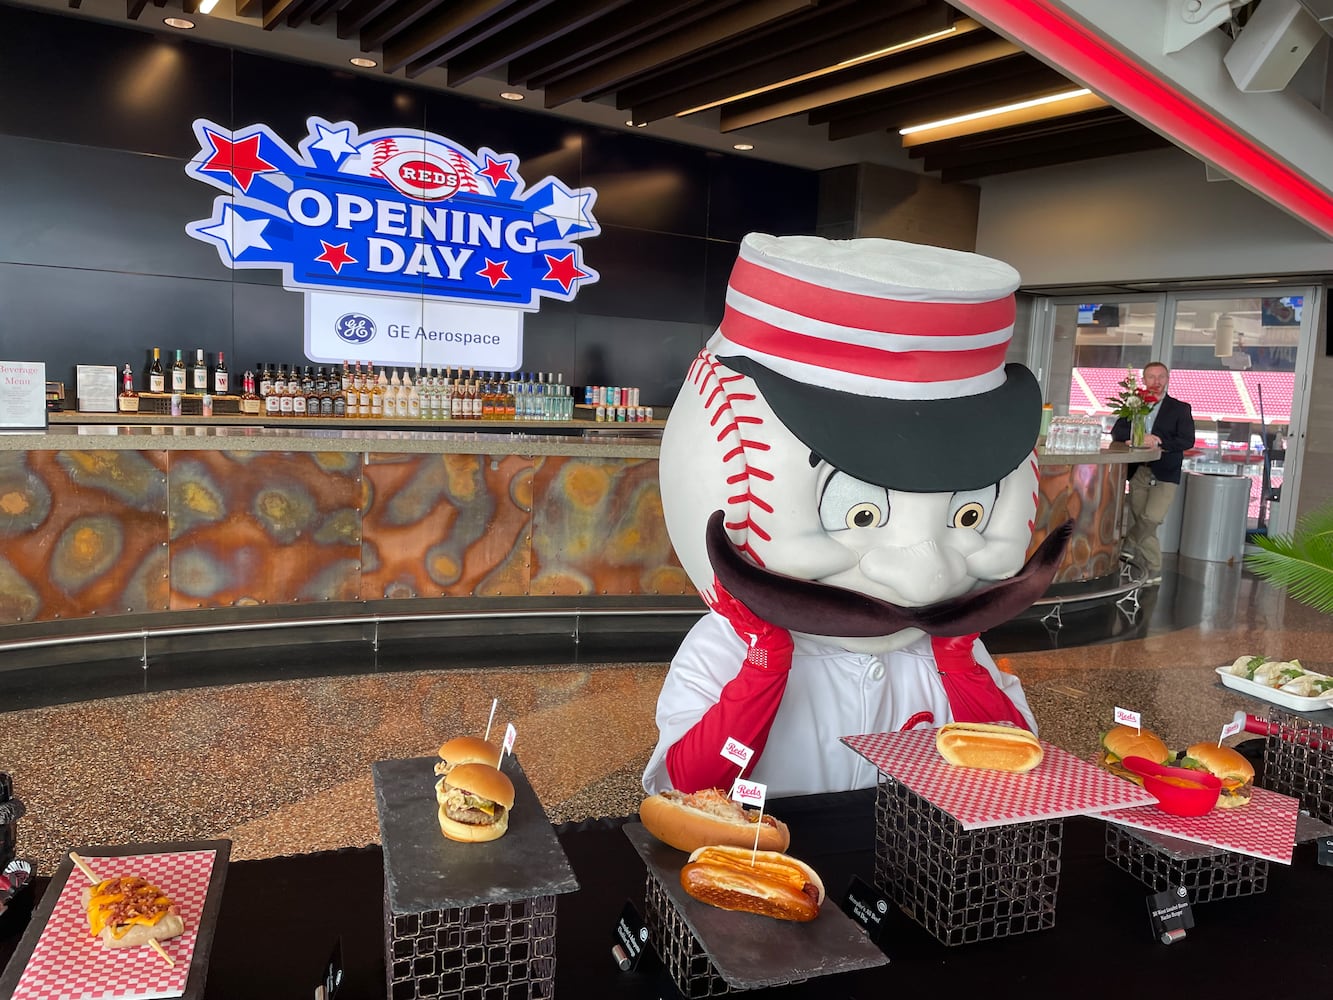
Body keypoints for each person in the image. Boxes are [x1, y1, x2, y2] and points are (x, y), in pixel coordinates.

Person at [641, 234, 1070, 798]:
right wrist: (764, 667)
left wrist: (960, 663)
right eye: (859, 512)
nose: (925, 577)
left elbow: (1016, 762)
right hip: (770, 863)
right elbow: (687, 784)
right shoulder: (725, 646)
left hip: (911, 866)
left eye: (968, 514)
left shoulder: (938, 647)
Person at [1111, 361, 1195, 583]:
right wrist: (1133, 438)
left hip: (1165, 473)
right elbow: (1117, 432)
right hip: (1139, 471)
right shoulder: (1134, 405)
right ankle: (1154, 570)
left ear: (1167, 379)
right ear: (1144, 380)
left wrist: (1159, 441)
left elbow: (1187, 440)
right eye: (1151, 377)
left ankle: (1128, 543)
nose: (1156, 382)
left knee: (1152, 518)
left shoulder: (1180, 408)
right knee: (1140, 516)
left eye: (1161, 377)